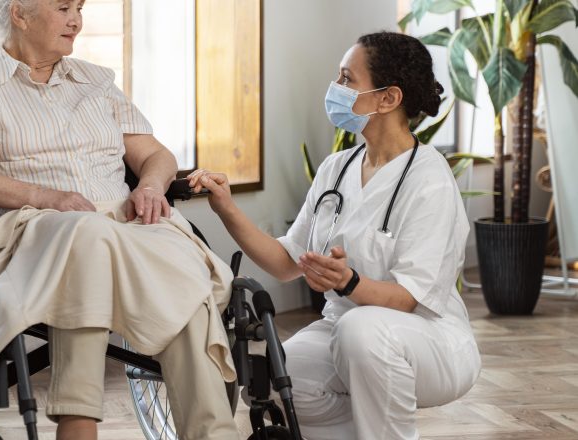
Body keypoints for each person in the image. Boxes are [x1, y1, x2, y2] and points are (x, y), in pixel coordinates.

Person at [0, 1, 238, 439]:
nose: (76, 19)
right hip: (30, 226)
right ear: (19, 14)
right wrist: (44, 196)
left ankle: (213, 433)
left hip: (119, 226)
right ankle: (77, 420)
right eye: (63, 7)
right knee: (87, 231)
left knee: (179, 263)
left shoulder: (97, 82)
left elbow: (156, 155)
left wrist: (150, 186)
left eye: (79, 7)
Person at [188, 31, 481, 440]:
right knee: (277, 377)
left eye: (347, 78)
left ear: (388, 98)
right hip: (342, 332)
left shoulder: (429, 179)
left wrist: (349, 282)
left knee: (361, 330)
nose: (336, 88)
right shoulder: (337, 168)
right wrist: (226, 208)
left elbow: (409, 298)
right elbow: (286, 263)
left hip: (428, 340)